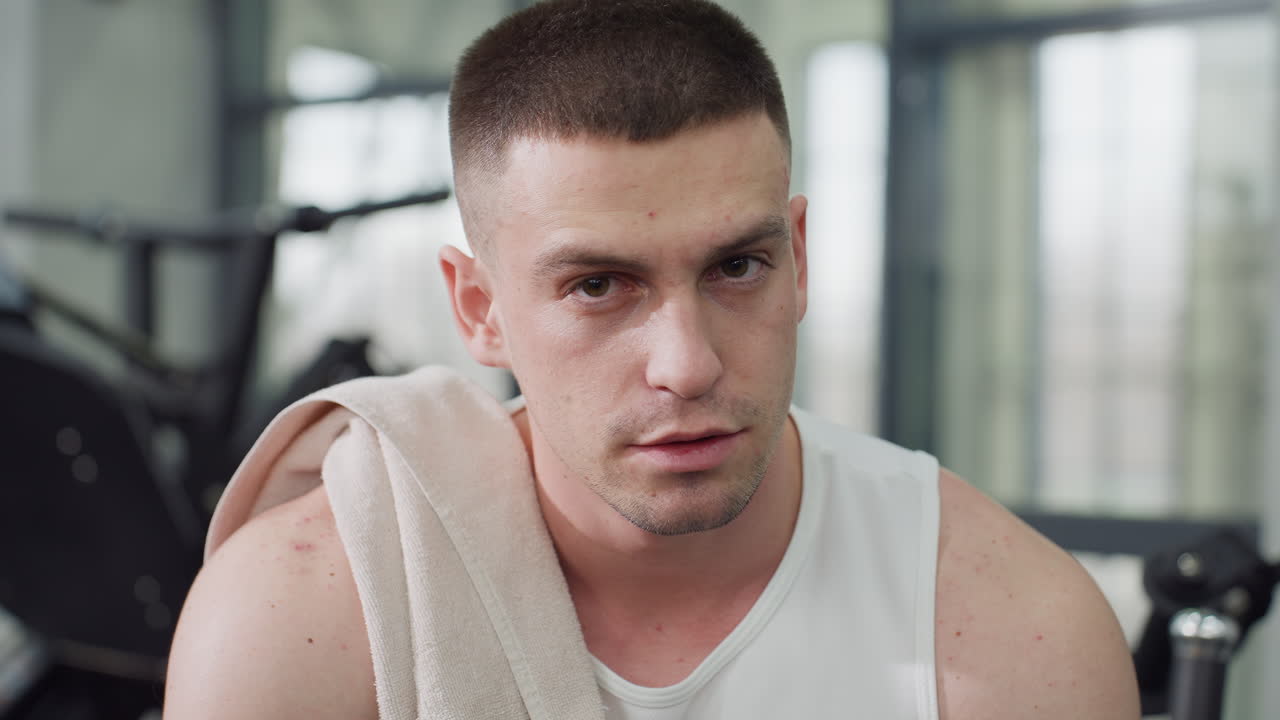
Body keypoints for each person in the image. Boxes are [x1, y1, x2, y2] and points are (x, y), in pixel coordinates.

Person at [164, 1, 1140, 718]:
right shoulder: (302, 616)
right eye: (598, 285)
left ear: (798, 261)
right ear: (479, 310)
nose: (687, 365)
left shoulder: (1009, 630)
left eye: (737, 267)